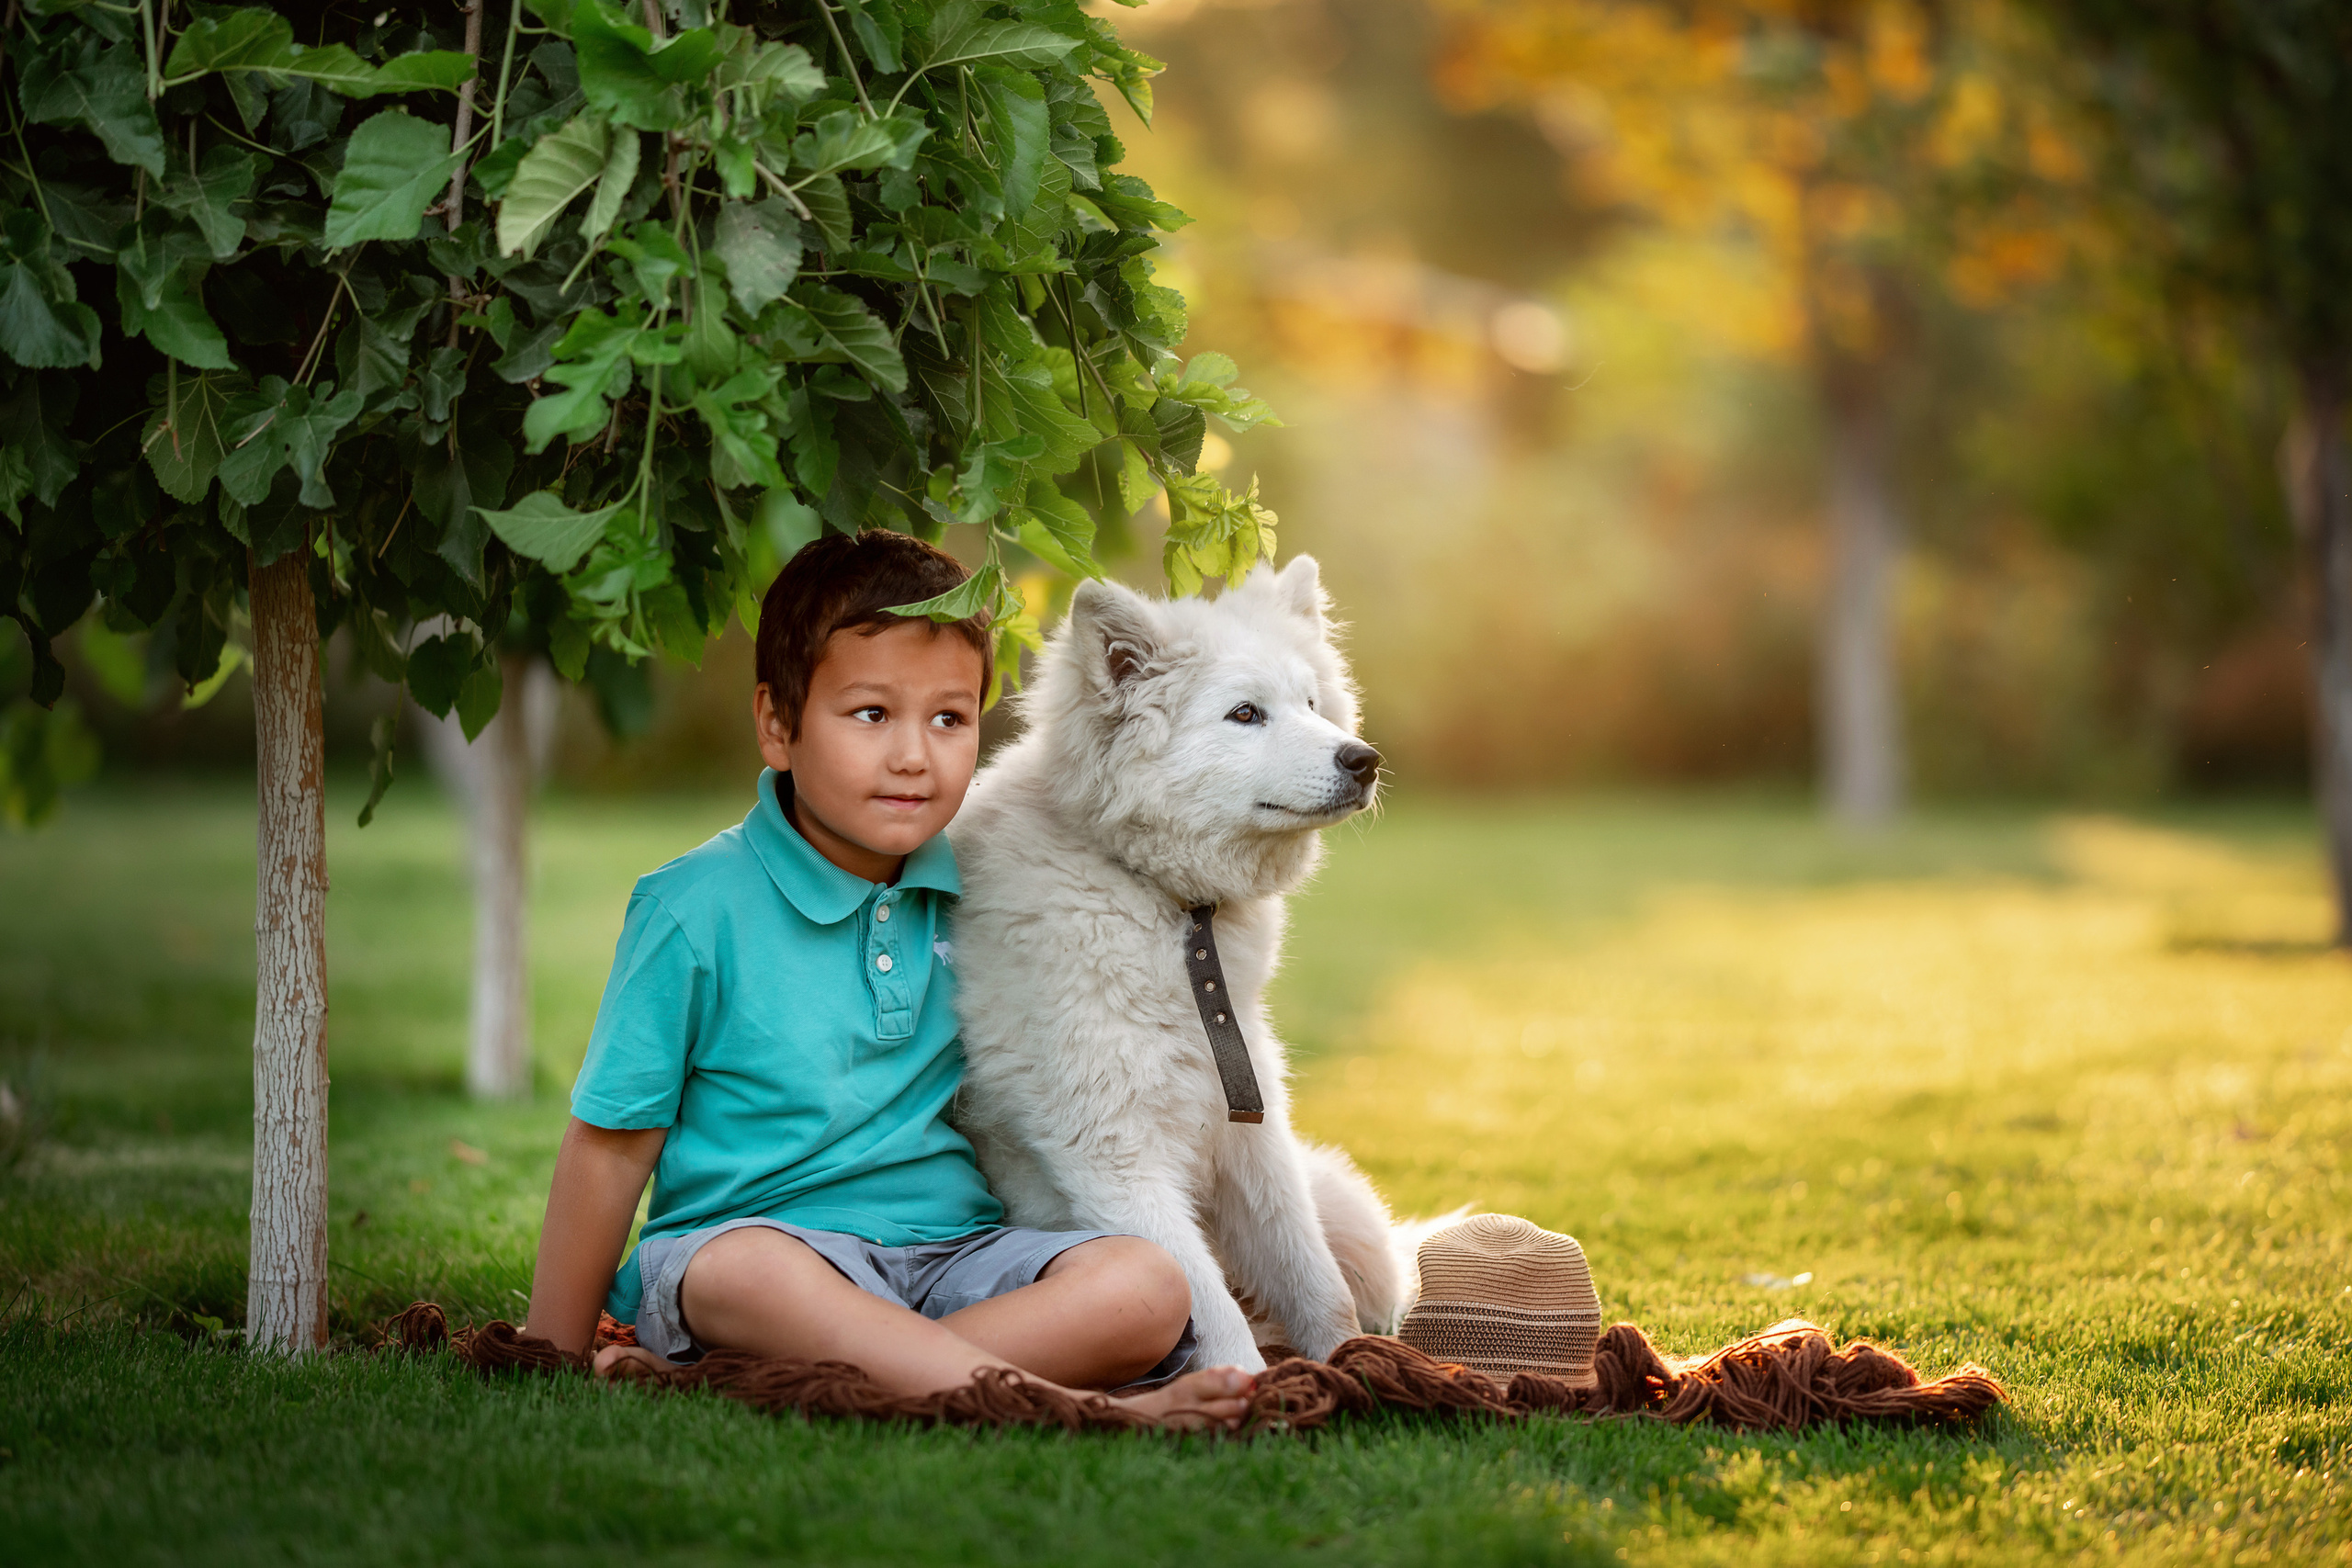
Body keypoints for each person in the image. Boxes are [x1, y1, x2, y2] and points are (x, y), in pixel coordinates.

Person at [523, 531, 1256, 1429]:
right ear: (777, 724)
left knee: (1145, 1284)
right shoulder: (692, 909)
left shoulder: (989, 891)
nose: (915, 755)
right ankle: (1077, 1408)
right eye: (871, 714)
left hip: (955, 1259)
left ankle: (848, 1381)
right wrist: (548, 1350)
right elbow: (609, 1144)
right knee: (744, 1273)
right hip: (764, 1259)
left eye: (949, 719)